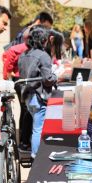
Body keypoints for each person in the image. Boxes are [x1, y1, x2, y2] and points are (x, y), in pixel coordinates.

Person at [18, 26, 57, 159]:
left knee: (36, 126)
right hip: (38, 96)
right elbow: (47, 79)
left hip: (26, 96)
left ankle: (35, 152)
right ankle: (36, 156)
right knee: (38, 128)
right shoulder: (43, 56)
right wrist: (56, 77)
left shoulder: (23, 55)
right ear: (44, 40)